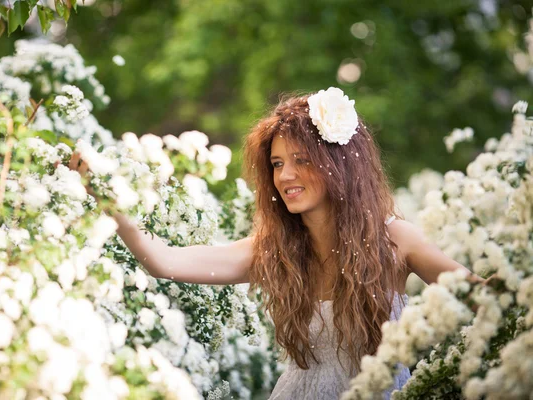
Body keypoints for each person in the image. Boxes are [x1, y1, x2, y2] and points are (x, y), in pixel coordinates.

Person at [67, 87, 482, 399]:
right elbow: (163, 260)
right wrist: (105, 196)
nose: (284, 176)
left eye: (302, 160)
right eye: (278, 164)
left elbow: (478, 295)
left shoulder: (394, 241)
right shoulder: (272, 250)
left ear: (339, 166)